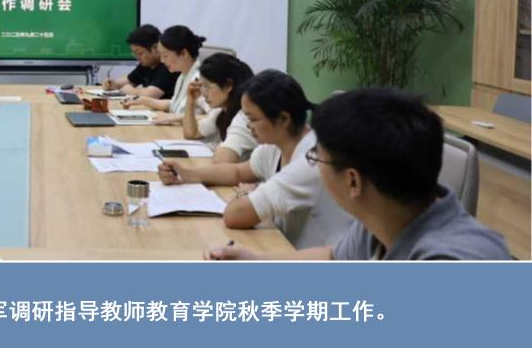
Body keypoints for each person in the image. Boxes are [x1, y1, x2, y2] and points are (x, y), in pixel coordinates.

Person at [205, 88, 511, 261]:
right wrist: (255, 261)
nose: (314, 165)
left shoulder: (449, 262)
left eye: (316, 158)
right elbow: (333, 259)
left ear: (353, 181)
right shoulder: (387, 216)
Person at [158, 70, 349, 248]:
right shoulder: (276, 145)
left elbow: (235, 216)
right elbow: (237, 171)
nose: (248, 126)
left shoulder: (310, 161)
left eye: (252, 119)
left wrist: (246, 195)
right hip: (287, 248)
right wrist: (186, 174)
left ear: (283, 119)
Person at [121, 25, 207, 124]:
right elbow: (173, 105)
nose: (162, 60)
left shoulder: (201, 81)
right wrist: (142, 100)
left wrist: (174, 118)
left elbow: (215, 117)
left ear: (183, 53)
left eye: (165, 56)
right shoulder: (183, 76)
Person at [182, 53, 257, 163]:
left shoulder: (243, 118)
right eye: (201, 86)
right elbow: (191, 133)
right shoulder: (220, 112)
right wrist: (190, 101)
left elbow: (221, 161)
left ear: (228, 85)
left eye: (207, 86)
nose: (203, 93)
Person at [102, 24, 179, 100]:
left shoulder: (167, 66)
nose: (137, 57)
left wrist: (131, 91)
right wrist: (112, 84)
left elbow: (151, 95)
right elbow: (128, 81)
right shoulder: (146, 65)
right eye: (134, 54)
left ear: (155, 47)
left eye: (140, 53)